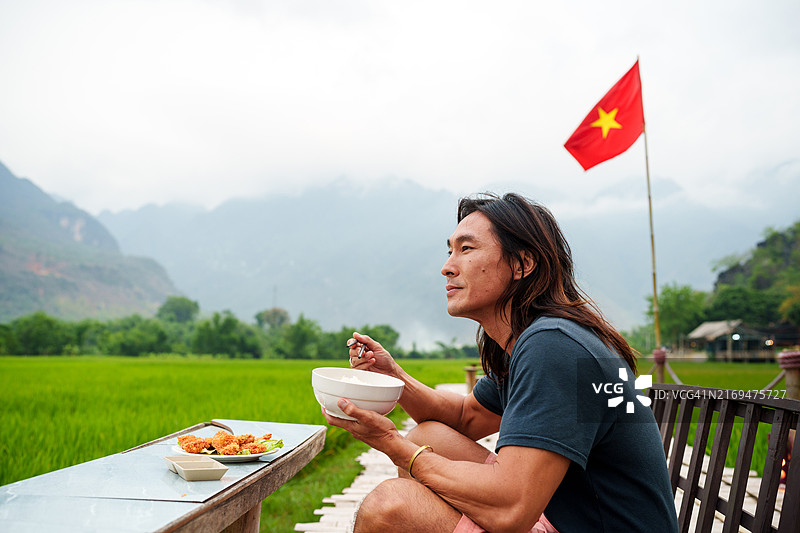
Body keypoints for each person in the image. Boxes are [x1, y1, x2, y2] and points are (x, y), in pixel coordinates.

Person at [322, 193, 678, 533]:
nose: (447, 267)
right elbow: (467, 417)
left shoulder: (554, 347)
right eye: (449, 251)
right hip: (563, 515)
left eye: (466, 249)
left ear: (522, 264)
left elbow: (512, 509)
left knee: (388, 508)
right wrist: (394, 377)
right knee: (429, 436)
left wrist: (392, 443)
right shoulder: (533, 339)